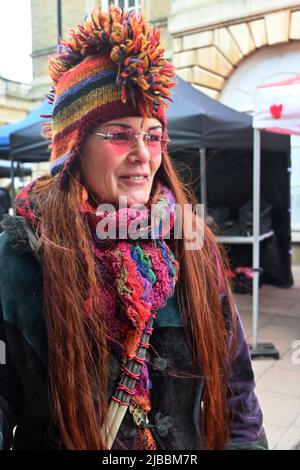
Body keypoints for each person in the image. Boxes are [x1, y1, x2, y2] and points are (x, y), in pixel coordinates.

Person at [0, 5, 268, 451]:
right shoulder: (21, 254)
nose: (144, 154)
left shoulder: (191, 243)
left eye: (153, 134)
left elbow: (238, 391)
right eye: (120, 134)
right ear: (74, 147)